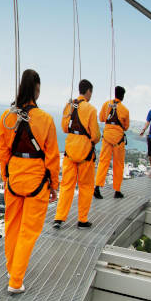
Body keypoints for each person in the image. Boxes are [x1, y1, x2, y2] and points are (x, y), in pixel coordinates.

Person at [0, 69, 59, 294]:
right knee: (28, 231)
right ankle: (15, 281)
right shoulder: (45, 119)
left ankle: (11, 268)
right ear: (37, 88)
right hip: (37, 180)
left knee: (12, 226)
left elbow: (3, 151)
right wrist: (54, 185)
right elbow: (52, 156)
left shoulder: (8, 116)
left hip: (14, 178)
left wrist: (5, 177)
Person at [54, 79, 100, 229]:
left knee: (67, 185)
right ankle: (82, 219)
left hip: (70, 150)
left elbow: (64, 128)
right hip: (85, 152)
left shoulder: (69, 105)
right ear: (88, 91)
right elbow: (95, 136)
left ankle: (59, 218)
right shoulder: (91, 109)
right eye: (91, 92)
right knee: (85, 186)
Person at [94, 85, 130, 199]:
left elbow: (101, 118)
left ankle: (97, 187)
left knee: (103, 162)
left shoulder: (106, 104)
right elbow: (126, 127)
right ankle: (117, 190)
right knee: (118, 164)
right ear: (123, 96)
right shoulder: (125, 110)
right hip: (118, 140)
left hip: (107, 138)